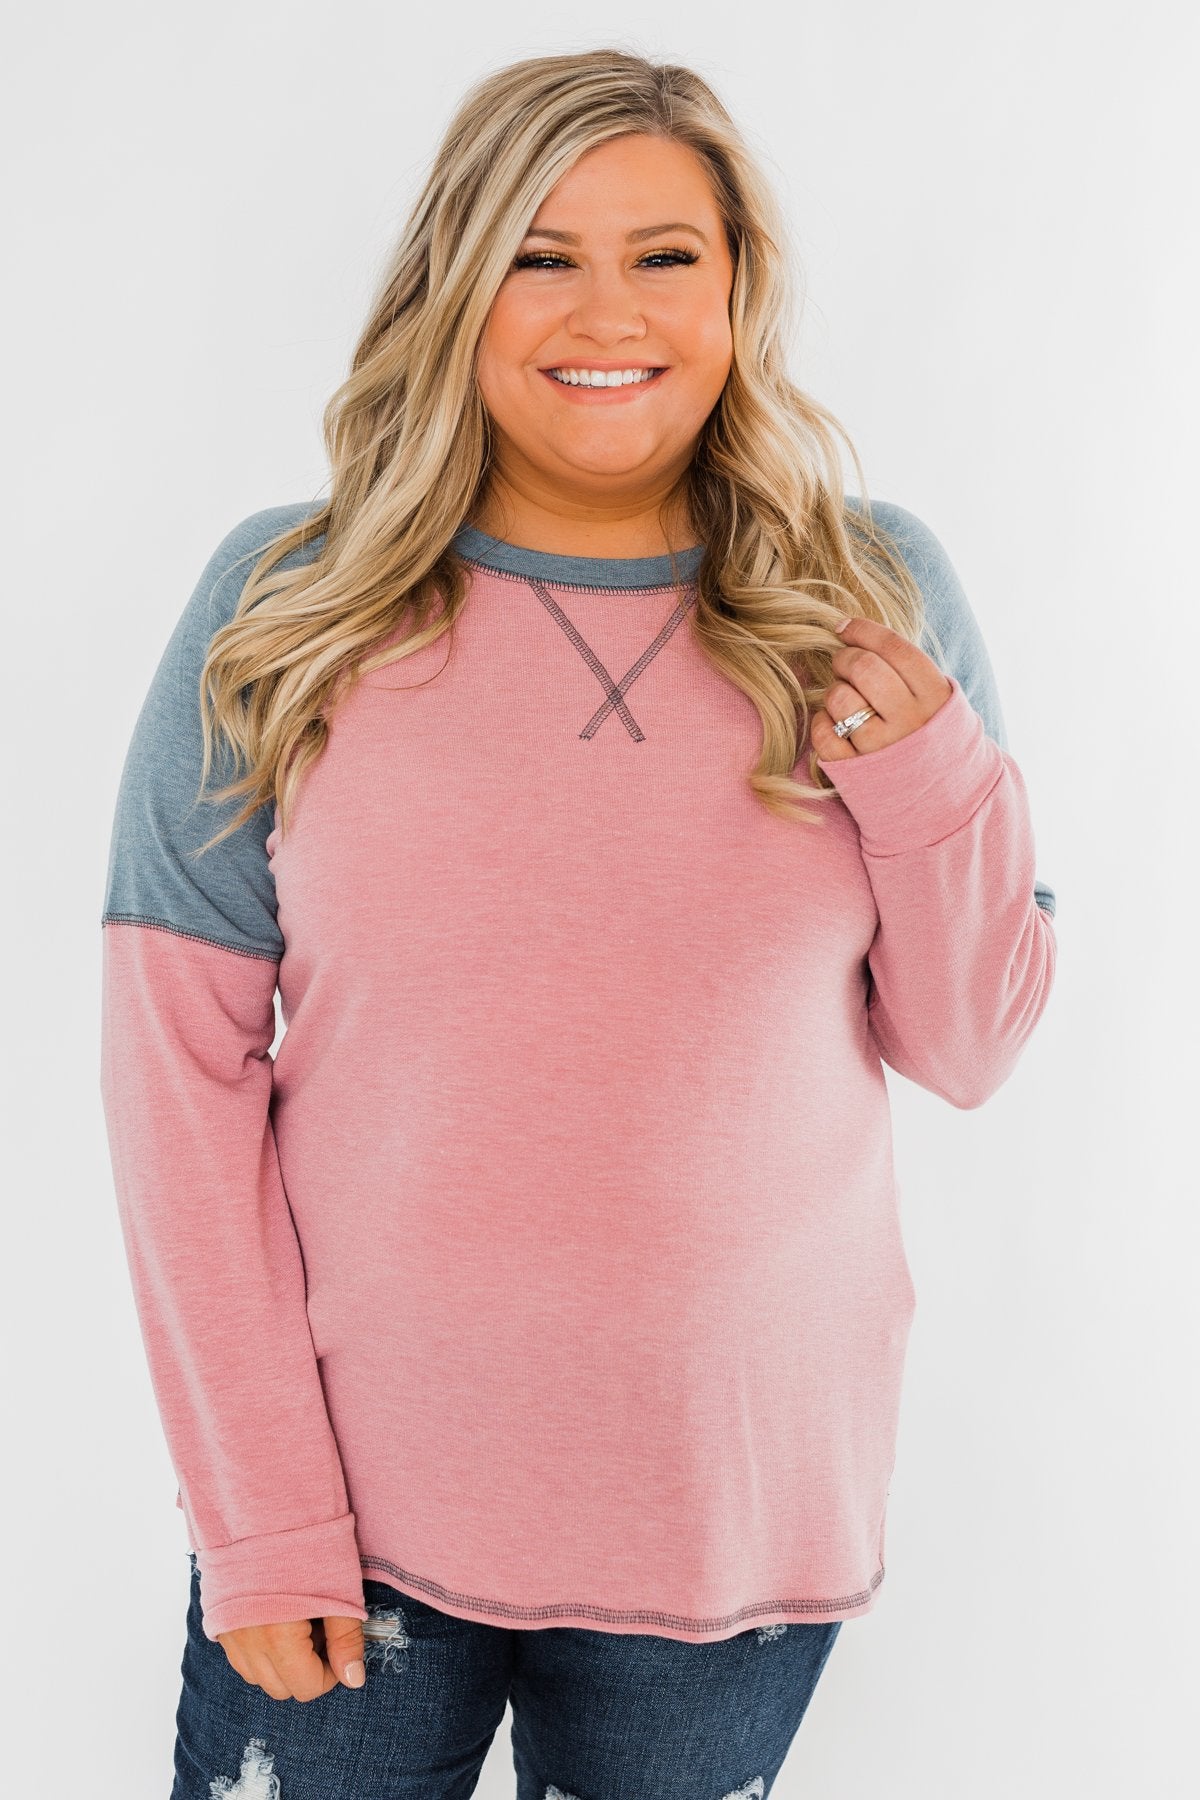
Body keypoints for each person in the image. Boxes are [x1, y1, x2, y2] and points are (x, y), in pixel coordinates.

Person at [98, 47, 1058, 1800]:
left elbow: (971, 1044)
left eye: (663, 254)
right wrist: (259, 1511)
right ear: (456, 284)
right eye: (541, 255)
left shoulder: (873, 592)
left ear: (738, 286)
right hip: (352, 1515)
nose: (605, 311)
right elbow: (177, 1082)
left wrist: (928, 773)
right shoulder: (287, 605)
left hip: (733, 1514)